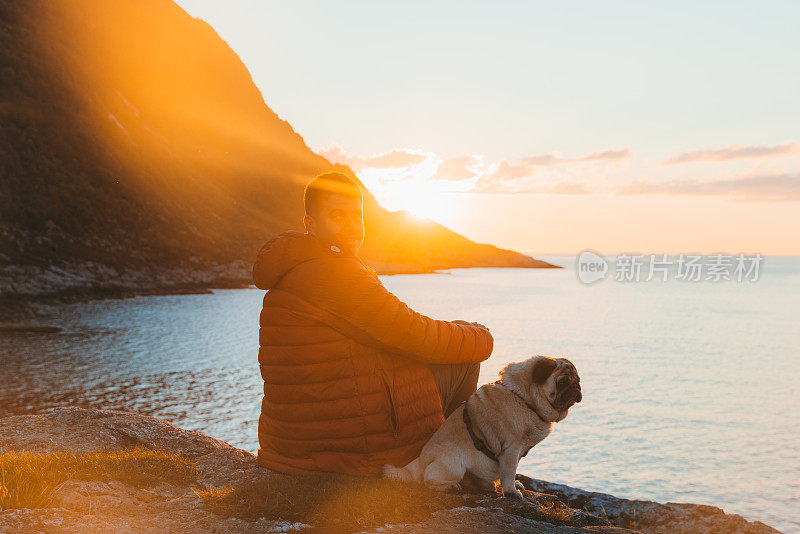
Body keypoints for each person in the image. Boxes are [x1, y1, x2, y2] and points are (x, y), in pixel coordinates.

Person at [252, 171, 494, 476]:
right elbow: (417, 334)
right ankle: (456, 467)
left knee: (459, 331)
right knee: (467, 352)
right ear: (310, 224)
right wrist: (481, 337)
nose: (351, 227)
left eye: (357, 217)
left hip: (293, 444)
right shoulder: (335, 274)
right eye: (338, 216)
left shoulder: (294, 270)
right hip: (347, 448)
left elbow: (386, 334)